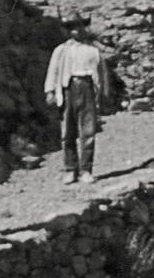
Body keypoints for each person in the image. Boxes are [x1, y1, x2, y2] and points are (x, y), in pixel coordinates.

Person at [45, 11, 110, 185]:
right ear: (68, 30)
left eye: (80, 26)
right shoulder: (61, 50)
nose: (77, 31)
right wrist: (50, 91)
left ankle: (86, 170)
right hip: (68, 89)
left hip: (87, 89)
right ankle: (70, 169)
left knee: (88, 131)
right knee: (67, 132)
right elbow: (53, 70)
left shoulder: (93, 51)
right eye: (73, 27)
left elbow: (102, 74)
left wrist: (103, 94)